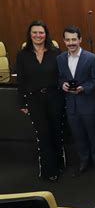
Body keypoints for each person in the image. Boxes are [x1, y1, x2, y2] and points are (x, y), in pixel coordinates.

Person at [16, 20, 64, 182]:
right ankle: (48, 169)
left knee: (56, 131)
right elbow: (21, 80)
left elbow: (61, 75)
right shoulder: (22, 55)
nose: (38, 35)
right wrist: (22, 103)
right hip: (34, 99)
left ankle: (59, 165)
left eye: (41, 32)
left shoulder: (56, 52)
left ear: (46, 34)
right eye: (35, 32)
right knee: (43, 133)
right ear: (30, 35)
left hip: (54, 97)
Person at [57, 25, 95, 177]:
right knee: (78, 136)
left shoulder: (92, 58)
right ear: (64, 41)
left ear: (80, 40)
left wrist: (83, 88)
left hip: (88, 104)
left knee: (94, 136)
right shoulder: (60, 59)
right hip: (71, 106)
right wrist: (62, 84)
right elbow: (59, 77)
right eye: (68, 40)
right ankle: (84, 162)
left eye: (74, 39)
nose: (71, 42)